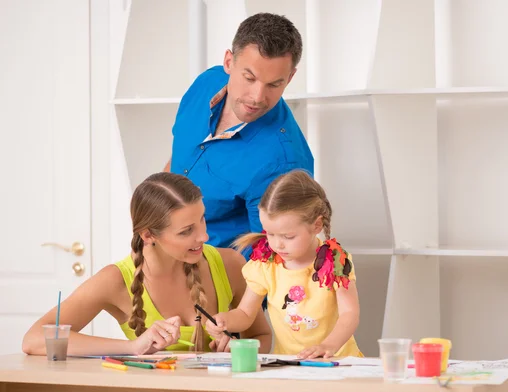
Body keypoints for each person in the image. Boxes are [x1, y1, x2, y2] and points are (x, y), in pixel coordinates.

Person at [22, 172, 271, 356]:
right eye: (186, 231)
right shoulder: (116, 280)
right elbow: (34, 340)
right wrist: (133, 346)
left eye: (202, 220)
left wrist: (239, 349)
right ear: (148, 235)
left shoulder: (229, 263)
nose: (203, 237)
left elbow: (262, 335)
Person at [165, 12, 314, 251]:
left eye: (275, 84)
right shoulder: (205, 83)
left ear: (290, 77)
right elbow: (180, 156)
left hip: (218, 275)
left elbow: (272, 263)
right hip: (162, 252)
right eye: (249, 77)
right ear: (228, 62)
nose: (257, 98)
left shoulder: (283, 163)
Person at [205, 170, 362, 359]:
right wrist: (224, 320)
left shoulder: (335, 262)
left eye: (288, 236)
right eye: (270, 234)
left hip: (336, 361)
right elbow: (245, 314)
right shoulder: (265, 265)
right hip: (290, 364)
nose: (277, 244)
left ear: (316, 225)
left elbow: (349, 313)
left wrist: (328, 345)